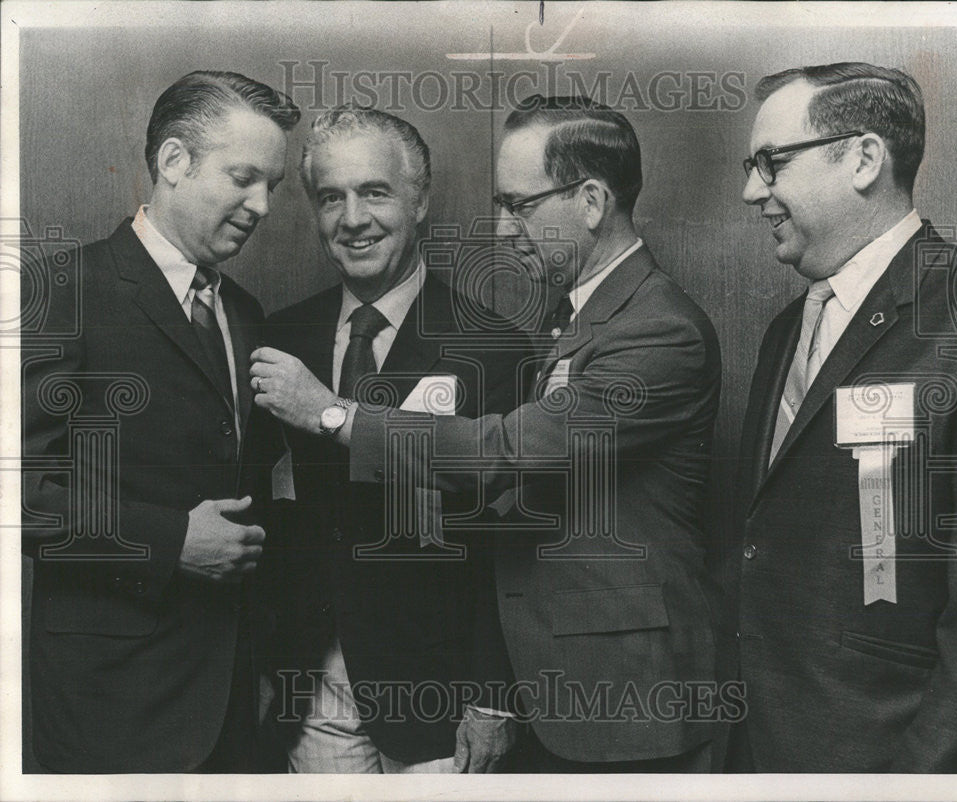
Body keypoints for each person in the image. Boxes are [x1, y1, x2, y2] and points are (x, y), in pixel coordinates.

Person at [252, 96, 722, 772]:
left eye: (519, 206)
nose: (502, 230)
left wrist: (333, 414)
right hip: (326, 695)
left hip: (614, 696)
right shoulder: (576, 323)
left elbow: (504, 456)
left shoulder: (655, 328)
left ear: (590, 202)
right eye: (330, 197)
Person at [21, 70, 300, 772]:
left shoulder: (245, 312)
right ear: (174, 161)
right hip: (107, 707)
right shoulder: (57, 293)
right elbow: (17, 497)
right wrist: (173, 540)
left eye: (273, 185)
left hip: (232, 702)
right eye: (244, 177)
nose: (262, 205)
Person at [257, 108, 530, 773]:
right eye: (331, 197)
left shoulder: (493, 349)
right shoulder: (280, 338)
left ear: (420, 200)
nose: (351, 218)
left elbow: (515, 542)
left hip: (442, 699)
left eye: (373, 192)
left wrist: (494, 698)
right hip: (310, 693)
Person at [732, 62, 957, 772]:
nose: (752, 192)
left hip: (888, 759)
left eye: (771, 164)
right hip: (764, 745)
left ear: (865, 158)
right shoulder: (788, 329)